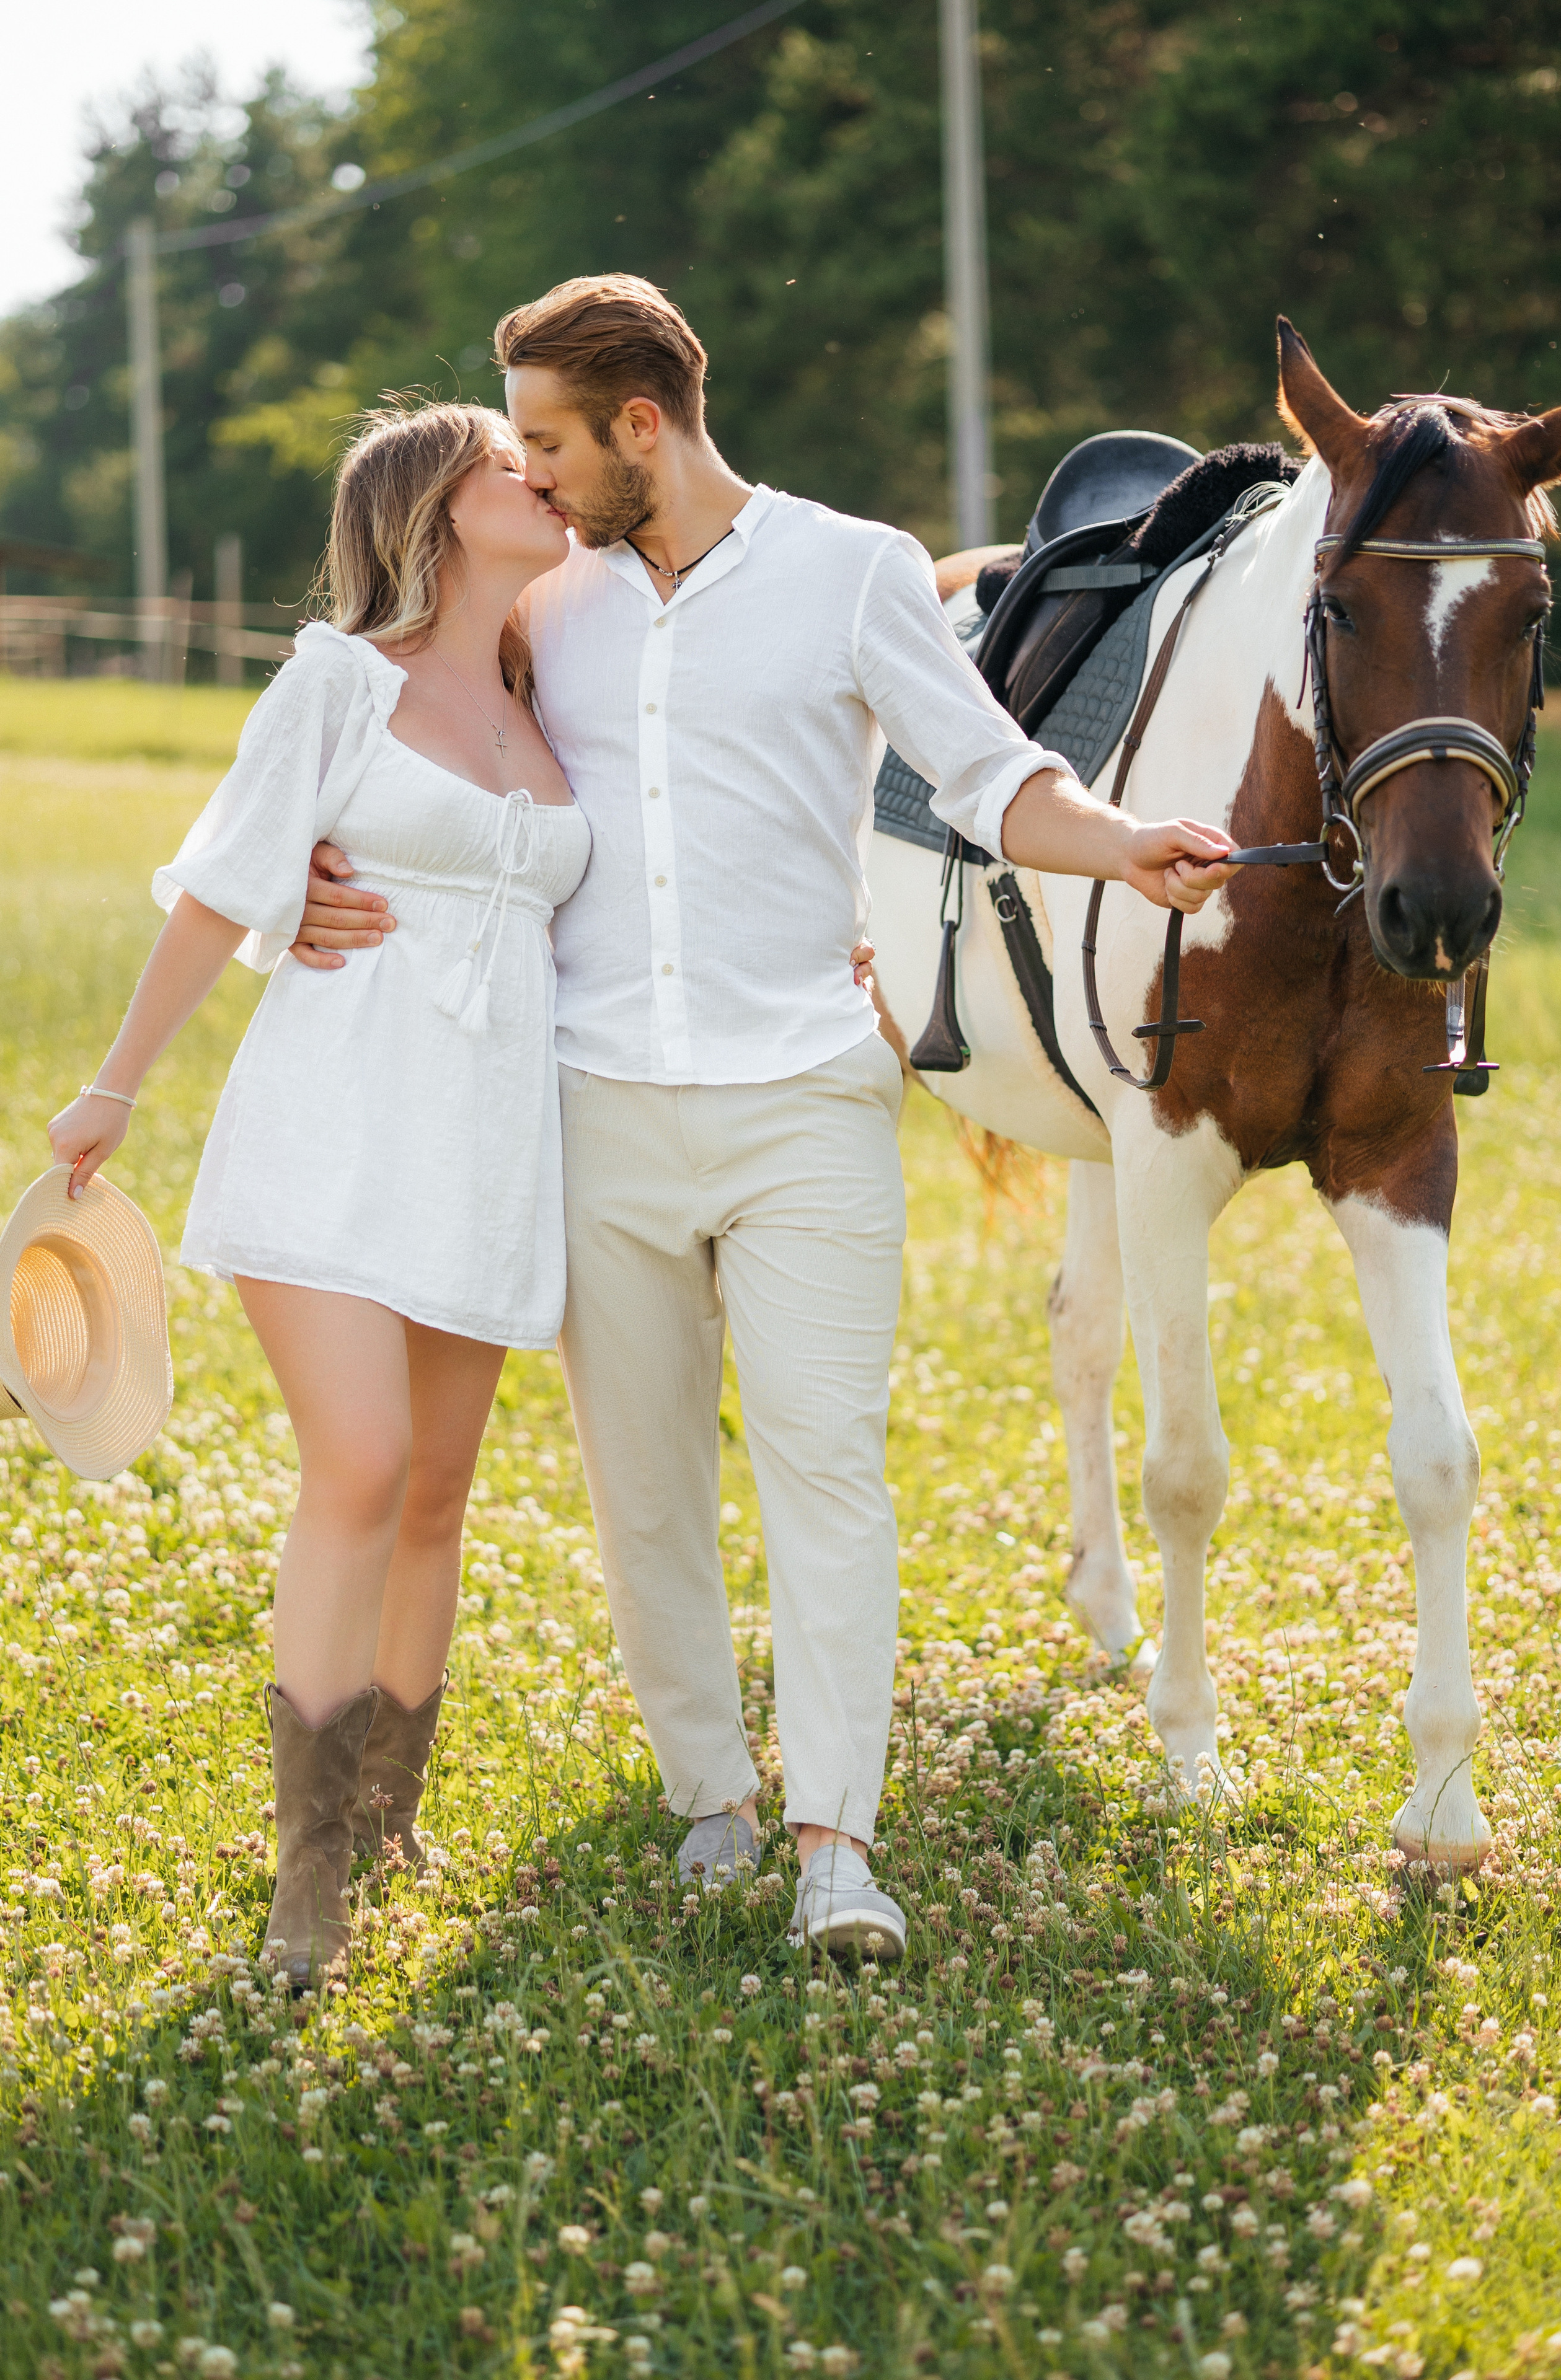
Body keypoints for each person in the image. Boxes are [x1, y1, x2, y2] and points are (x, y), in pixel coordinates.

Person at [290, 276, 1235, 1961]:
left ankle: (837, 1845)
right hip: (591, 1108)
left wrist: (1120, 839)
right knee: (642, 1490)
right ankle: (711, 1802)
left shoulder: (852, 571)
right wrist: (302, 872)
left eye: (557, 443)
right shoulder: (541, 594)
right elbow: (394, 726)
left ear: (644, 426)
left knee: (828, 1474)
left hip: (806, 1102)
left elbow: (987, 771)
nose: (536, 474)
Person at [47, 401, 590, 1987]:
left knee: (437, 1492)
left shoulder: (546, 699)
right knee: (359, 1467)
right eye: (513, 464)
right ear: (430, 508)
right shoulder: (336, 682)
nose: (543, 482)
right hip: (333, 1127)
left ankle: (394, 1816)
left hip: (489, 1148)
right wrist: (117, 1080)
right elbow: (225, 883)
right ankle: (309, 1873)